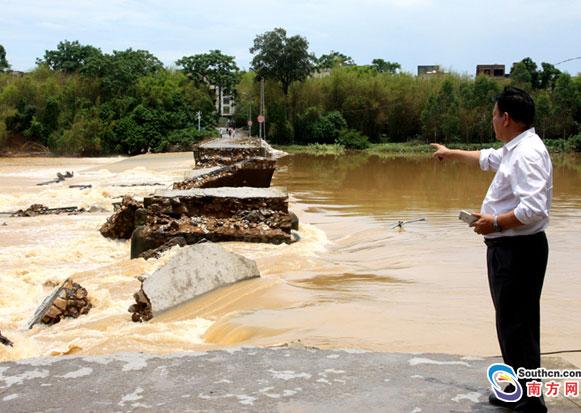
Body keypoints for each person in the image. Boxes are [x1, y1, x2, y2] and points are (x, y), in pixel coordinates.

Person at [431, 86, 552, 413]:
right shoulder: (515, 148)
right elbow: (486, 158)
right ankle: (519, 389)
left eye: (494, 116)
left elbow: (534, 209)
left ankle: (530, 401)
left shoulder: (527, 154)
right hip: (511, 249)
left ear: (507, 118)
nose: (493, 121)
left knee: (517, 323)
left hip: (518, 250)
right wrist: (450, 152)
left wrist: (495, 222)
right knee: (513, 321)